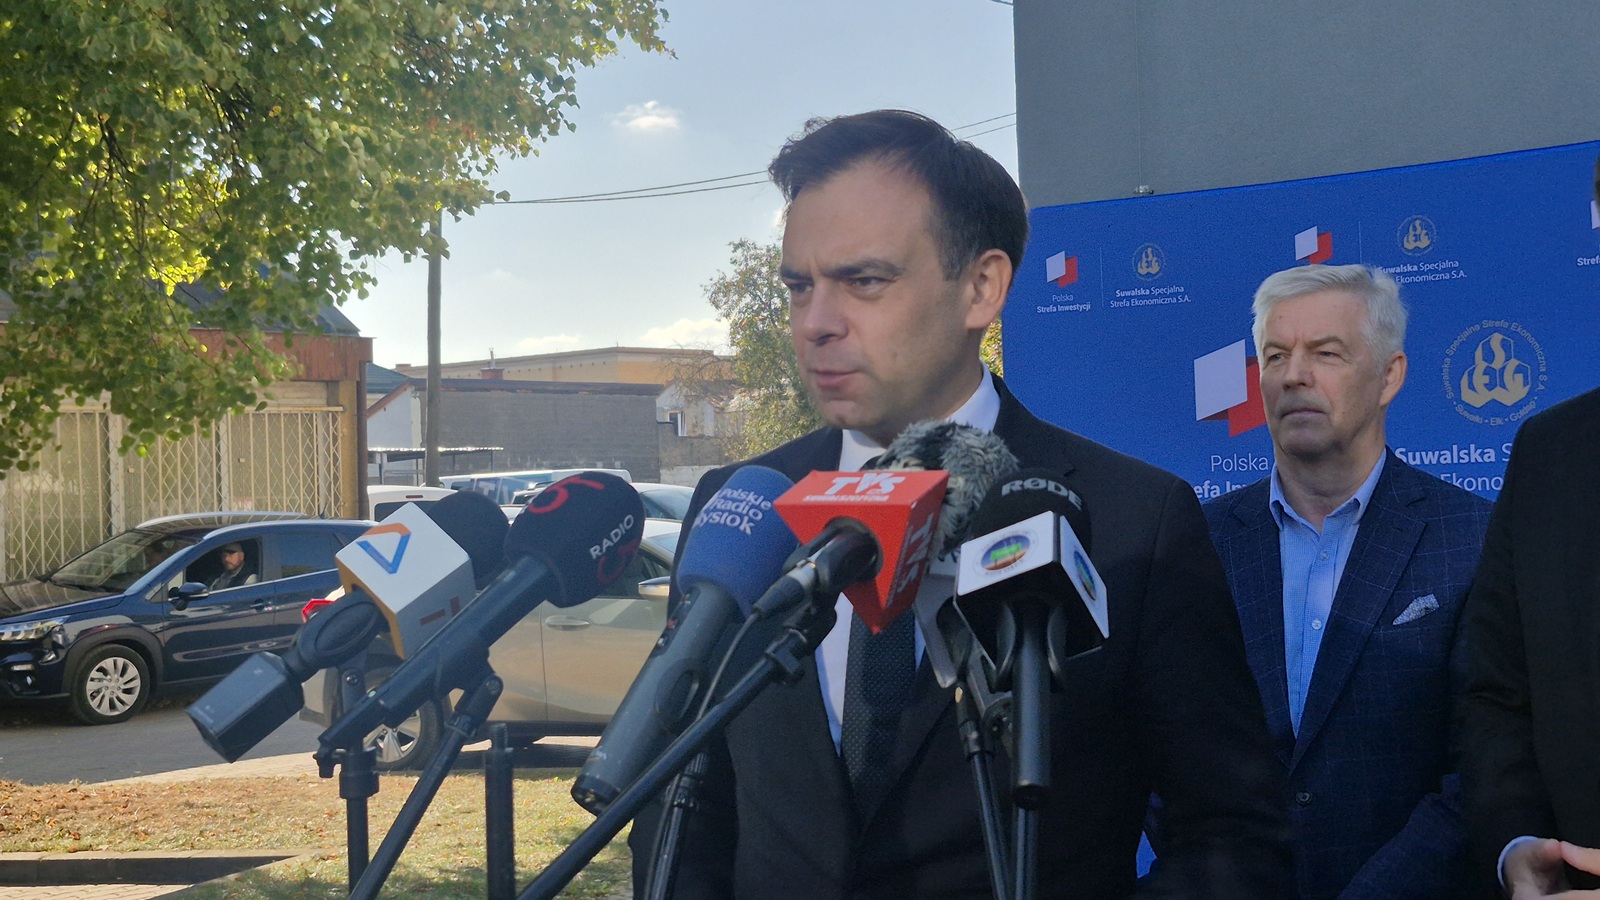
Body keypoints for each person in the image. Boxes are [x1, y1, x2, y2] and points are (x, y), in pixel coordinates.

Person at [628, 109, 1293, 899]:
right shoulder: (742, 507)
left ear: (982, 287)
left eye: (863, 281)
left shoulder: (1135, 521)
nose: (815, 324)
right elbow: (683, 810)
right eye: (799, 286)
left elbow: (1232, 836)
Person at [1195, 264, 1491, 898]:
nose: (1294, 375)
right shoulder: (1198, 541)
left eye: (1326, 353)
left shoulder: (1472, 536)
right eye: (1276, 356)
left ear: (1390, 376)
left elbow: (1482, 766)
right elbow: (1163, 750)